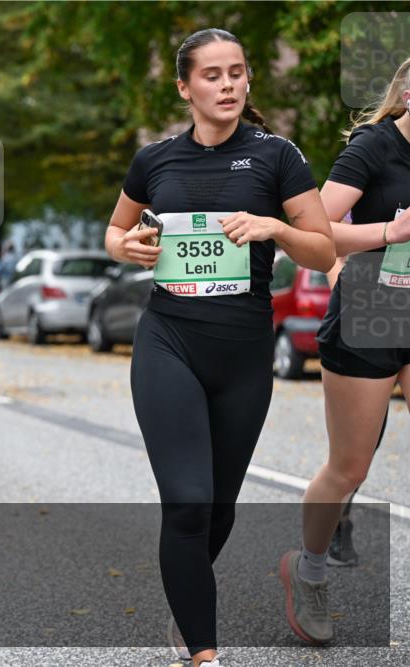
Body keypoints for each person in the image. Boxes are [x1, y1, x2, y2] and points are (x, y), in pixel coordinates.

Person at [104, 29, 334, 667]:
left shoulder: (277, 157)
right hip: (168, 341)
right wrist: (127, 247)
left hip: (242, 354)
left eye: (237, 72)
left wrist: (276, 227)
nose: (227, 84)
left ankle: (186, 598)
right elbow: (116, 231)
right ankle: (203, 650)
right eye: (212, 75)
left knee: (218, 507)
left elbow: (322, 248)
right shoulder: (156, 161)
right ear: (185, 88)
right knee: (186, 501)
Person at [280, 57, 410, 645]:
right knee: (350, 467)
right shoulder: (373, 149)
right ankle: (308, 570)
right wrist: (388, 232)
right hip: (372, 308)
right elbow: (318, 230)